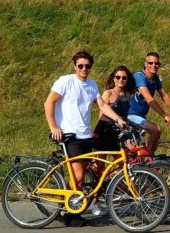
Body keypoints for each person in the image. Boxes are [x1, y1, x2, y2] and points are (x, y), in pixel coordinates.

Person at [44, 51, 126, 227]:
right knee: (78, 176)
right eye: (80, 66)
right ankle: (69, 212)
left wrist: (118, 119)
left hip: (86, 135)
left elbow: (102, 105)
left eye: (87, 66)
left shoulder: (91, 85)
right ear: (74, 66)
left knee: (81, 177)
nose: (84, 69)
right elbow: (49, 102)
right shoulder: (65, 81)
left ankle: (68, 206)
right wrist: (53, 127)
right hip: (69, 135)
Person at [127, 52, 170, 155]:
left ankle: (146, 160)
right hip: (130, 115)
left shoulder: (155, 78)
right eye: (150, 63)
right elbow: (148, 98)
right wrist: (165, 116)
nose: (154, 65)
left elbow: (164, 96)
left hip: (140, 116)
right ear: (145, 64)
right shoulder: (139, 77)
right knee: (156, 129)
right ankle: (149, 159)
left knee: (133, 154)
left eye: (156, 63)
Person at [94, 66, 136, 152]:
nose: (121, 80)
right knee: (101, 163)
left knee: (122, 160)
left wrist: (131, 124)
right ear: (113, 79)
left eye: (124, 78)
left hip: (119, 132)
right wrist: (116, 122)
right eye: (118, 77)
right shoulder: (108, 93)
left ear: (127, 80)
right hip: (104, 131)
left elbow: (124, 115)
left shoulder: (128, 94)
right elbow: (101, 116)